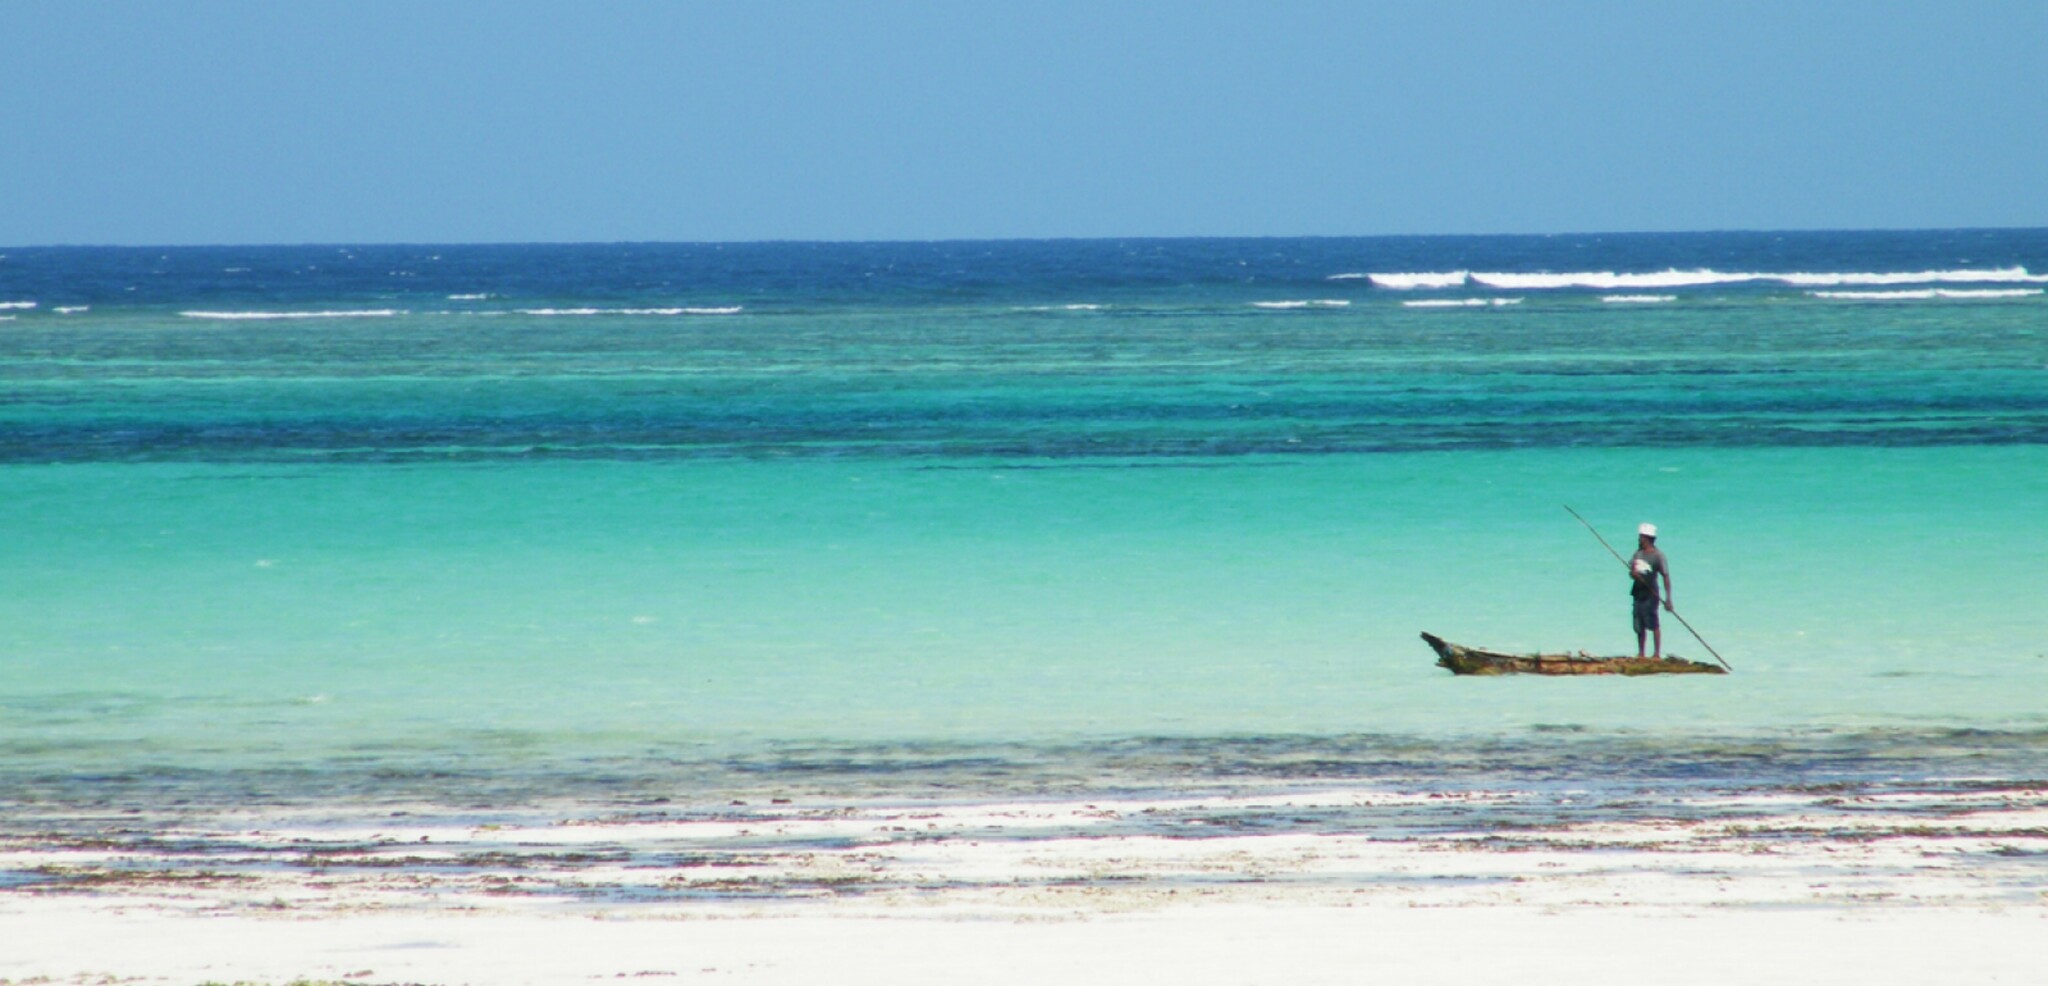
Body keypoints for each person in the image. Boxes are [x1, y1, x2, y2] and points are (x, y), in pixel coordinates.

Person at [1629, 523, 1673, 659]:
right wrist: (1633, 574)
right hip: (1638, 592)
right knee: (1638, 623)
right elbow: (1631, 571)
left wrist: (1668, 598)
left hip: (1651, 593)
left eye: (1641, 537)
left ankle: (1656, 654)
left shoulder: (1658, 556)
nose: (1639, 540)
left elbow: (1665, 576)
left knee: (1653, 622)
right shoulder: (1637, 554)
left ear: (1647, 538)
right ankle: (1641, 653)